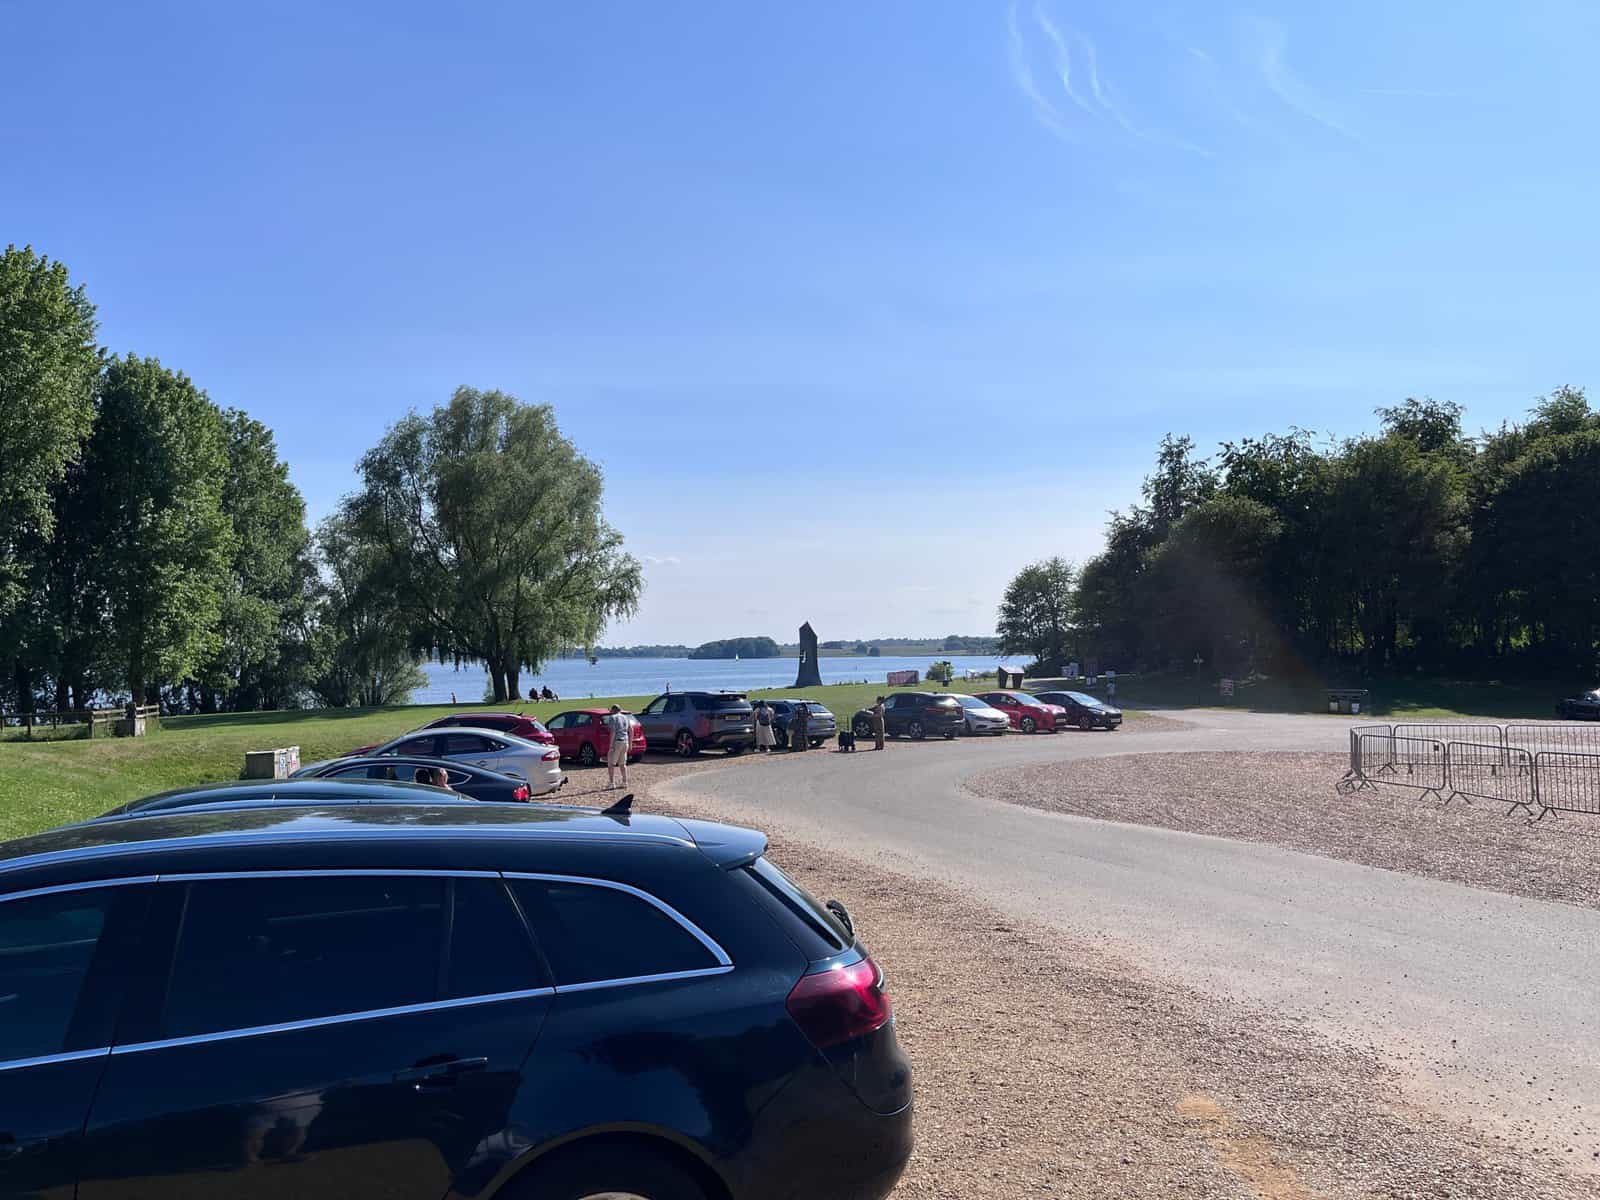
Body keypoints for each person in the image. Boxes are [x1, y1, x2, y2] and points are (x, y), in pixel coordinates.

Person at [603, 704, 632, 790]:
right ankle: (624, 782)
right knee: (622, 763)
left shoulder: (613, 718)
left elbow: (613, 732)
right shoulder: (626, 717)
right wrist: (630, 744)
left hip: (617, 742)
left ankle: (612, 783)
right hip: (625, 741)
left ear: (613, 710)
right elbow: (631, 730)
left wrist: (611, 745)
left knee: (611, 763)